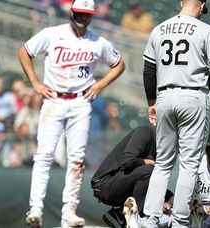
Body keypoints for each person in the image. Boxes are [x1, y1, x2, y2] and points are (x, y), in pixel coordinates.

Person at [18, 0, 126, 226]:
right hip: (53, 99)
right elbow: (24, 51)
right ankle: (35, 208)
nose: (82, 18)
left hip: (80, 103)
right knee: (44, 155)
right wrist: (35, 83)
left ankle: (69, 211)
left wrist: (99, 85)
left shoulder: (97, 42)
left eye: (86, 14)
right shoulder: (52, 34)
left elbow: (119, 64)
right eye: (79, 13)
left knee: (76, 160)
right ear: (72, 12)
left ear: (91, 16)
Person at [142, 0, 210, 227]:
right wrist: (201, 87)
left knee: (162, 164)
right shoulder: (206, 30)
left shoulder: (159, 29)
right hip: (193, 95)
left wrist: (152, 102)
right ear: (201, 5)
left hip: (164, 96)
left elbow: (149, 71)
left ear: (181, 2)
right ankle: (180, 222)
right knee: (189, 164)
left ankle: (150, 220)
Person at [91, 126, 173, 228]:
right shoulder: (145, 132)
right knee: (148, 170)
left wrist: (169, 198)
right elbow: (128, 162)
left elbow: (151, 183)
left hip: (123, 184)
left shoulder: (165, 150)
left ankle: (119, 216)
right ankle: (140, 218)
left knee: (165, 192)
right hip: (104, 185)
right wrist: (149, 162)